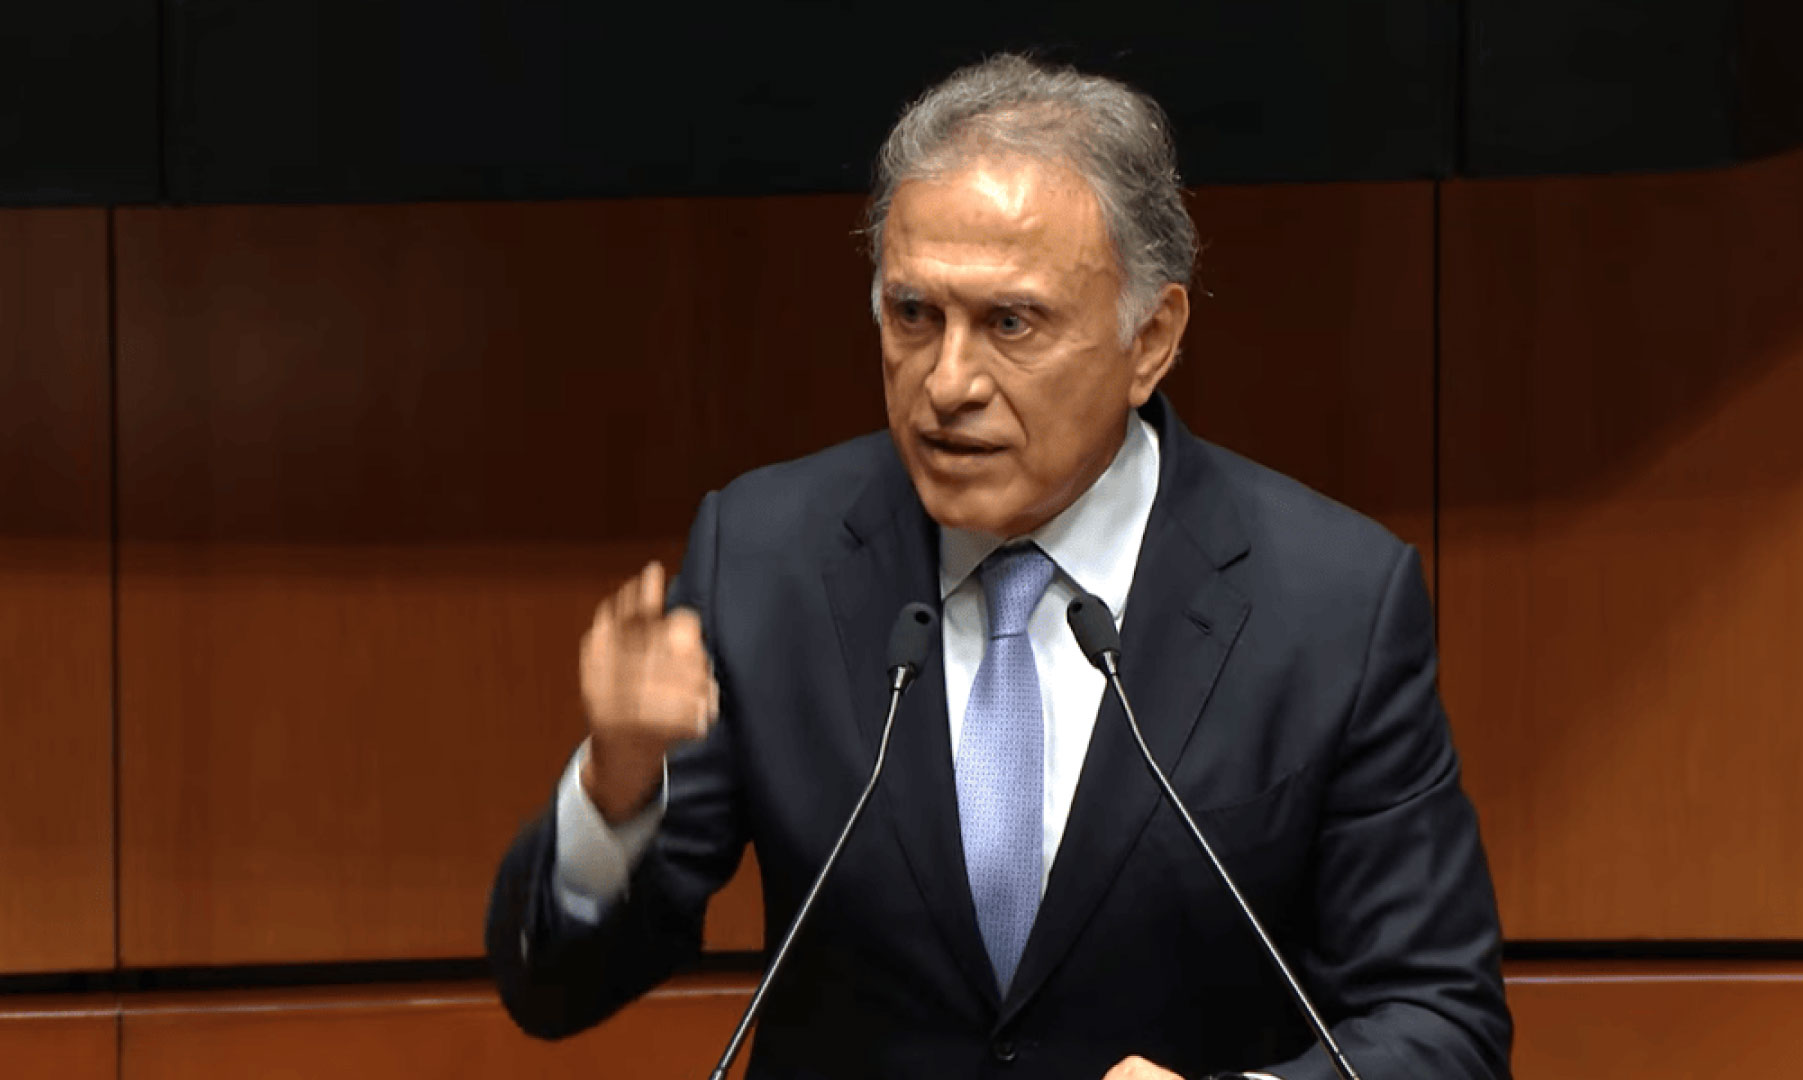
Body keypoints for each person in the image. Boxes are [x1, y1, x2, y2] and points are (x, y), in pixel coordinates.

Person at [486, 54, 1511, 1080]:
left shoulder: (1331, 603)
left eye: (1010, 323)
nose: (947, 382)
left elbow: (1443, 1024)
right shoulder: (766, 557)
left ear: (1151, 339)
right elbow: (557, 989)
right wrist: (618, 785)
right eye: (913, 315)